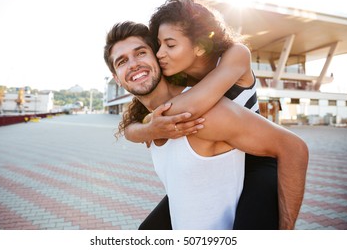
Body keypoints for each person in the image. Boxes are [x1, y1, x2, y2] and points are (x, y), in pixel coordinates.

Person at [103, 21, 309, 229]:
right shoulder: (150, 119)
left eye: (140, 53)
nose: (133, 64)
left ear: (157, 56)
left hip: (260, 169)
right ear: (116, 79)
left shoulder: (201, 113)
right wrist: (147, 129)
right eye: (121, 62)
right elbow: (130, 127)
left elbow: (294, 148)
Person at [123, 0, 278, 230]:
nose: (160, 53)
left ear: (200, 45)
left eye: (170, 45)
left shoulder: (236, 54)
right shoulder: (181, 73)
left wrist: (148, 123)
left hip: (256, 162)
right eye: (159, 45)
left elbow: (190, 108)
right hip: (218, 168)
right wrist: (144, 129)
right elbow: (128, 126)